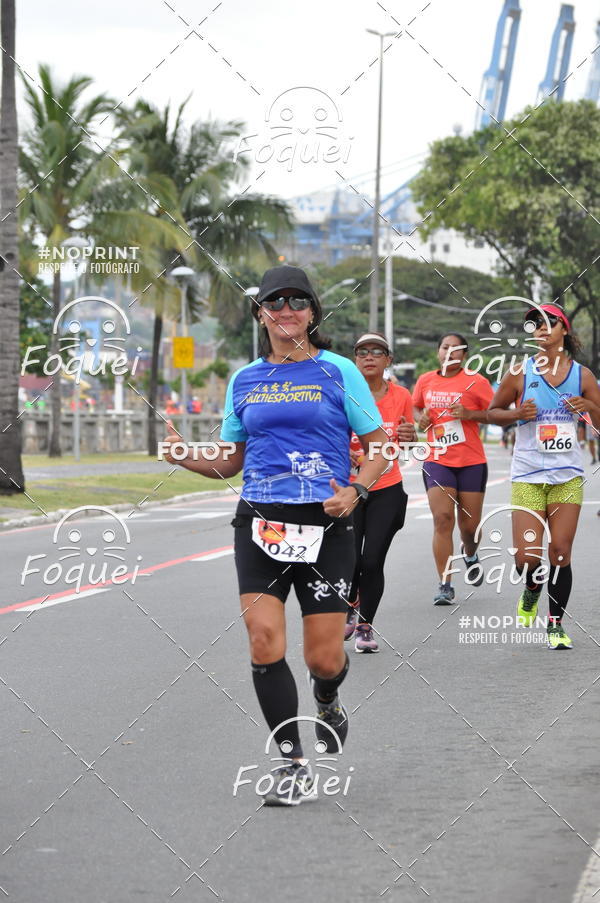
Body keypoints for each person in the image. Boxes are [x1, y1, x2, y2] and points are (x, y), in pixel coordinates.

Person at [162, 265, 388, 805]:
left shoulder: (338, 371)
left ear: (312, 313)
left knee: (323, 659)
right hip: (260, 521)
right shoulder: (245, 380)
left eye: (297, 301)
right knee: (264, 639)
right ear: (261, 314)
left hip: (326, 523)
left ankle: (327, 697)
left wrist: (356, 490)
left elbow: (380, 446)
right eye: (275, 302)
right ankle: (293, 764)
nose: (286, 310)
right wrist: (184, 456)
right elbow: (230, 461)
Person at [488, 304, 600, 649]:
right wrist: (516, 414)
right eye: (535, 323)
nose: (541, 327)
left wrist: (589, 407)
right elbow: (493, 413)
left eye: (549, 322)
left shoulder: (582, 376)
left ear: (564, 330)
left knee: (561, 552)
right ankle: (532, 587)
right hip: (528, 475)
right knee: (526, 560)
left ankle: (555, 625)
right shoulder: (518, 373)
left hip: (567, 476)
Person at [345, 332, 415, 652]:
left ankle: (364, 626)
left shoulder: (401, 396)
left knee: (372, 561)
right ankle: (351, 602)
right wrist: (343, 451)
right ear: (355, 359)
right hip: (349, 490)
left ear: (388, 360)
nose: (369, 357)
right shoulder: (343, 393)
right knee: (349, 560)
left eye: (377, 351)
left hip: (387, 489)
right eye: (362, 352)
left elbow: (408, 442)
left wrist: (410, 436)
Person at [412, 334, 494, 604]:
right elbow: (415, 408)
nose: (450, 352)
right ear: (438, 351)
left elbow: (496, 413)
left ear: (464, 355)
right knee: (443, 519)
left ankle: (470, 553)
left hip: (471, 462)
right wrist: (420, 419)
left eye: (456, 349)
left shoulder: (477, 381)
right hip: (437, 460)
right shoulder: (425, 380)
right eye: (445, 347)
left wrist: (470, 414)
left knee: (469, 528)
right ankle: (445, 584)